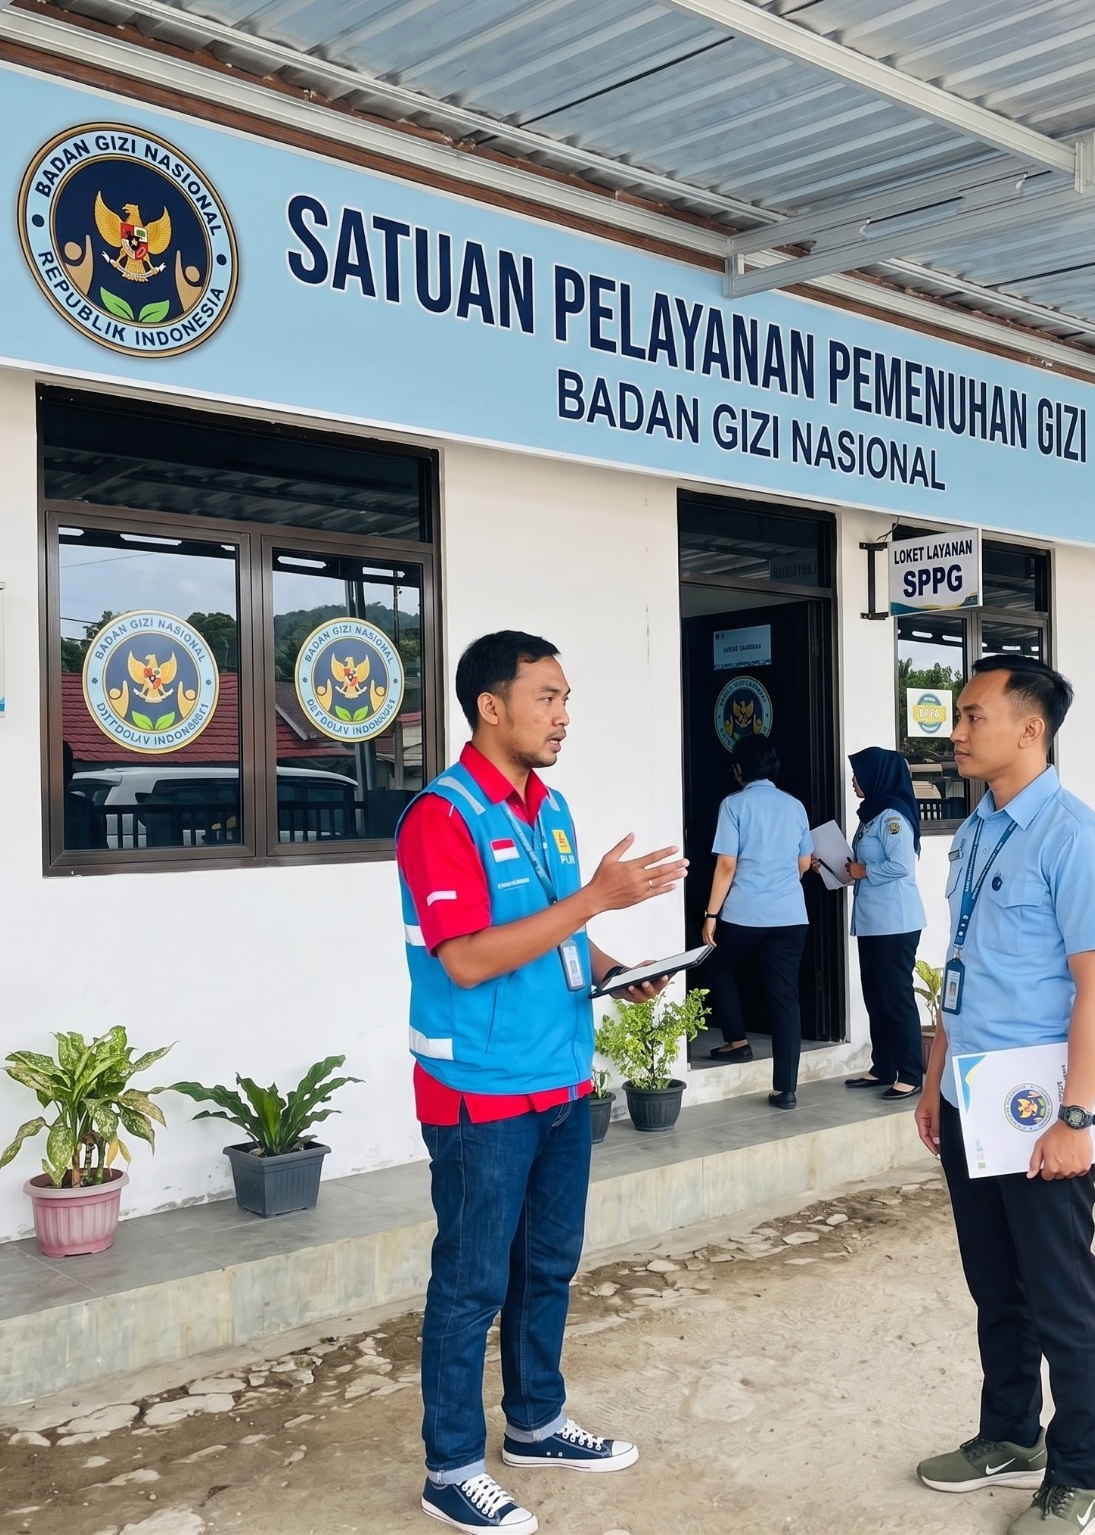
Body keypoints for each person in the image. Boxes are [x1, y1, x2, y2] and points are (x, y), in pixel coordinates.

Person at [396, 631, 687, 1535]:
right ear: (492, 707)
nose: (563, 716)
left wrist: (613, 969)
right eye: (547, 697)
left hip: (560, 1079)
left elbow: (555, 929)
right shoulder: (441, 817)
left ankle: (535, 1425)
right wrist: (595, 898)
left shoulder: (548, 808)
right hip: (479, 1093)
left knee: (546, 1267)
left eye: (565, 699)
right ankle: (451, 1468)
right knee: (470, 1283)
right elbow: (468, 959)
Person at [913, 656, 1095, 1535]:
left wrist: (1076, 1117)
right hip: (971, 1093)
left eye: (973, 716)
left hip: (1040, 1104)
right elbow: (960, 963)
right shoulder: (978, 828)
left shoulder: (1072, 837)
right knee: (993, 1283)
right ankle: (1009, 1434)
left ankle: (1081, 1475)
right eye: (957, 716)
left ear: (1028, 730)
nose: (955, 732)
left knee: (1057, 1291)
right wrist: (933, 1079)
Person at [698, 733, 814, 1110]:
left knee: (717, 964)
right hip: (791, 915)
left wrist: (711, 914)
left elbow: (726, 865)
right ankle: (786, 1089)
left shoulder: (734, 805)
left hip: (744, 914)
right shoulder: (795, 806)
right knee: (785, 998)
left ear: (739, 769)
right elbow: (803, 863)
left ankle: (737, 1040)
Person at [843, 747, 927, 1100]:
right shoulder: (871, 815)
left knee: (895, 997)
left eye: (858, 774)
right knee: (876, 996)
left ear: (876, 776)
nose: (853, 781)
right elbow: (860, 864)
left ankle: (910, 1073)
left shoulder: (893, 816)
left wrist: (862, 870)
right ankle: (883, 1066)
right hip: (873, 921)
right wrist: (838, 867)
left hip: (895, 922)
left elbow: (901, 865)